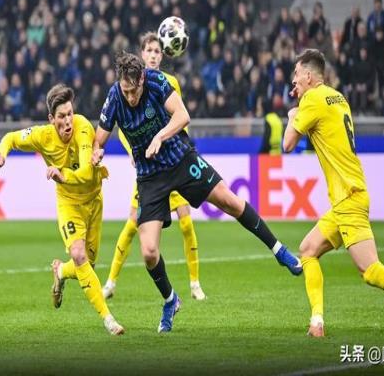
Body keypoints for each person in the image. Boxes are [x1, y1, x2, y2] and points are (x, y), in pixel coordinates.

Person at [92, 51, 302, 333]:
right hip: (150, 177)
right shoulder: (115, 96)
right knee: (149, 252)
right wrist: (97, 152)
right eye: (125, 91)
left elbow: (183, 116)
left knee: (229, 200)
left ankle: (279, 250)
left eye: (133, 91)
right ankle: (171, 300)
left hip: (180, 159)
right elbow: (99, 139)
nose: (130, 97)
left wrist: (160, 136)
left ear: (142, 79)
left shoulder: (156, 81)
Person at [283, 49, 384, 340]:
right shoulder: (337, 98)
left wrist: (292, 115)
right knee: (308, 250)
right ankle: (317, 323)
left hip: (348, 198)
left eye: (296, 74)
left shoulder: (312, 100)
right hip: (348, 197)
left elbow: (287, 144)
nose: (293, 80)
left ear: (308, 75)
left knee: (370, 270)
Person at [0, 84, 124, 336]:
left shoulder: (83, 127)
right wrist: (1, 153)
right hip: (69, 203)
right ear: (51, 119)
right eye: (61, 116)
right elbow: (11, 138)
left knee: (88, 264)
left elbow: (86, 174)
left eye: (70, 113)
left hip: (93, 200)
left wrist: (62, 175)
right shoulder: (42, 136)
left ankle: (61, 271)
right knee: (79, 255)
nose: (68, 121)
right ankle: (108, 319)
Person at [102, 32, 206, 301]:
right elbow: (121, 128)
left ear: (164, 54)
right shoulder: (127, 89)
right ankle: (111, 281)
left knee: (186, 224)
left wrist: (182, 149)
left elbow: (180, 118)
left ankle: (195, 283)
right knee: (132, 224)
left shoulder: (169, 82)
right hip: (148, 170)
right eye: (148, 51)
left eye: (157, 51)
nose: (153, 55)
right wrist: (132, 152)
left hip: (173, 161)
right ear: (141, 55)